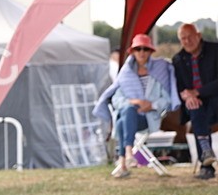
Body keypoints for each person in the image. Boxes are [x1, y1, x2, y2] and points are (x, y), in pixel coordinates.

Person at [93, 33, 177, 179]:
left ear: (150, 51)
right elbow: (116, 100)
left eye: (145, 49)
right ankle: (128, 154)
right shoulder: (125, 73)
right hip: (129, 116)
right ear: (133, 51)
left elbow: (167, 100)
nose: (142, 52)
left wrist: (151, 105)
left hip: (147, 118)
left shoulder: (159, 71)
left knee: (123, 117)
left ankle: (124, 159)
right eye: (138, 49)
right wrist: (135, 102)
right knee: (127, 112)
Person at [172, 23, 218, 179]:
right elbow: (179, 86)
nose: (187, 41)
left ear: (198, 36)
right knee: (194, 108)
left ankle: (205, 162)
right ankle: (206, 161)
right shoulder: (178, 59)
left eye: (190, 37)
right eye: (183, 38)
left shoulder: (214, 50)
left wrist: (197, 92)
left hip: (214, 97)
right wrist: (187, 95)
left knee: (199, 108)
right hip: (195, 103)